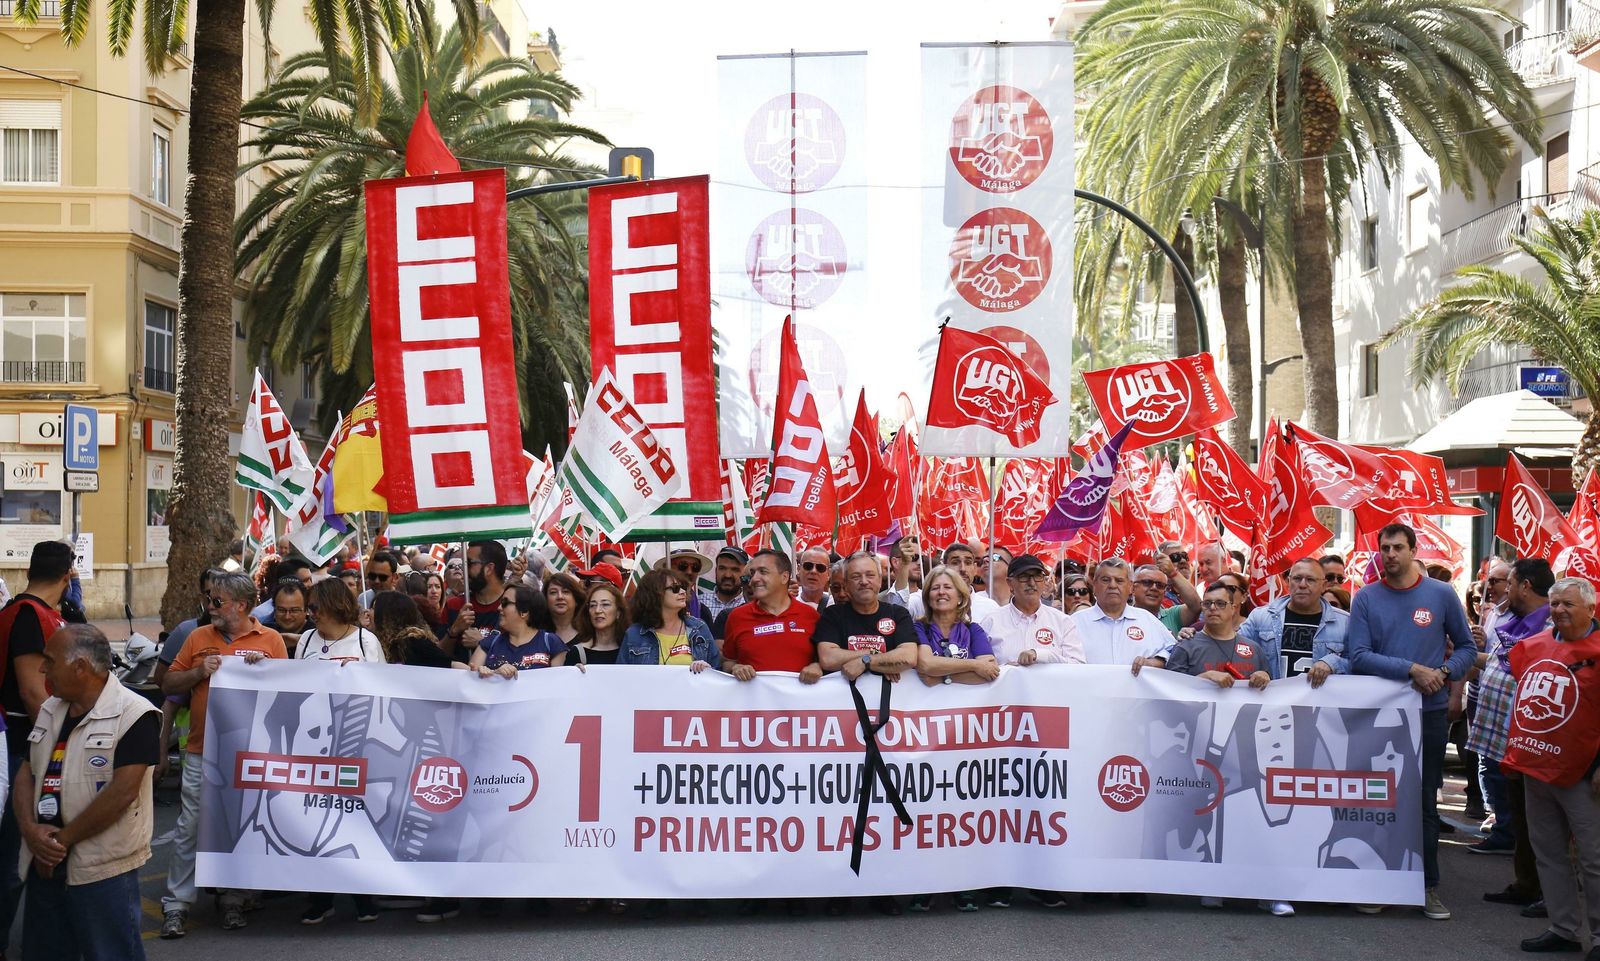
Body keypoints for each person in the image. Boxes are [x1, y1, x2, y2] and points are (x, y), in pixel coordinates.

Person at [1346, 522, 1476, 921]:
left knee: (1424, 801)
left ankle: (1427, 887)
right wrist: (1412, 669)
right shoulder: (1366, 597)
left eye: (1397, 547)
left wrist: (1445, 672)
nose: (1390, 555)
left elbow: (1467, 647)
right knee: (1380, 800)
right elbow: (1358, 655)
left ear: (1413, 550)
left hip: (1428, 714)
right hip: (1380, 714)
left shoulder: (1440, 594)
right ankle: (1384, 883)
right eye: (1384, 548)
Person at [14, 624, 158, 961]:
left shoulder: (135, 714)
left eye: (50, 660)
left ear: (80, 667)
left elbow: (122, 793)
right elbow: (26, 773)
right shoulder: (50, 709)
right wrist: (30, 831)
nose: (42, 669)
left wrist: (60, 842)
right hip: (44, 861)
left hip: (101, 869)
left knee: (110, 954)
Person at [160, 571, 286, 937]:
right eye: (209, 600)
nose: (210, 607)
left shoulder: (271, 640)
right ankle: (176, 904)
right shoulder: (197, 637)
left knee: (241, 827)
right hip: (202, 750)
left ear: (242, 605)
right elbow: (168, 683)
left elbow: (288, 693)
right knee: (190, 827)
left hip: (250, 756)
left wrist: (266, 673)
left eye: (217, 601)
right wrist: (199, 671)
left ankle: (235, 897)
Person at [1154, 582, 1290, 916]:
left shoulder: (1251, 648)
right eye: (1207, 604)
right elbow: (1167, 691)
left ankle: (1268, 891)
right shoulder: (1187, 646)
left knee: (1256, 822)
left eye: (1219, 604)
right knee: (1214, 822)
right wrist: (1205, 679)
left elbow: (1273, 692)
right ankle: (1213, 885)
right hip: (1204, 753)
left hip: (1249, 752)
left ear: (1234, 608)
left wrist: (1263, 675)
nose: (1212, 609)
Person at [812, 551, 917, 917]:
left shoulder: (896, 614)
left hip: (890, 732)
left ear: (881, 577)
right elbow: (827, 657)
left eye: (869, 575)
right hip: (841, 733)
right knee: (842, 806)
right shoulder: (834, 616)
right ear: (846, 581)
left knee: (882, 807)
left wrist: (866, 660)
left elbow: (909, 656)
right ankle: (840, 889)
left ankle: (881, 889)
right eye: (855, 576)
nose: (863, 581)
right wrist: (881, 656)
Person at [1499, 577, 1600, 955]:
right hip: (1537, 765)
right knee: (1549, 852)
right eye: (1555, 604)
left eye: (1568, 604)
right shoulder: (1534, 645)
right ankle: (1563, 928)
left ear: (1591, 608)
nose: (1558, 610)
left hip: (1583, 773)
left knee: (1593, 858)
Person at [907, 566, 997, 914]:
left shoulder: (973, 630)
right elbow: (924, 665)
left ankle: (963, 886)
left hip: (966, 735)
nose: (941, 592)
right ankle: (924, 886)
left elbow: (989, 671)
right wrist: (968, 667)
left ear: (961, 596)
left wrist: (943, 676)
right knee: (927, 812)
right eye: (935, 588)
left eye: (948, 587)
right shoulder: (918, 628)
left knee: (962, 812)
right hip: (924, 733)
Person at [0, 539, 75, 947]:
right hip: (20, 746)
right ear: (68, 576)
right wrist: (57, 745)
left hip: (26, 743)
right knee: (14, 857)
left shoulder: (42, 613)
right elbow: (32, 692)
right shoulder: (28, 615)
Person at [1467, 558, 1552, 899]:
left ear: (1526, 586)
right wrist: (1470, 655)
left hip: (1533, 739)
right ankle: (1527, 884)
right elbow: (1503, 663)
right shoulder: (1515, 623)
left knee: (1538, 819)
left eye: (1511, 584)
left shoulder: (1548, 626)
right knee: (1520, 812)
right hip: (1509, 739)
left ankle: (1546, 892)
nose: (1506, 591)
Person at [1238, 557, 1350, 683]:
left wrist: (1333, 663)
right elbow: (1235, 652)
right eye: (1297, 578)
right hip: (1271, 696)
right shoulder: (1260, 617)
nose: (1302, 584)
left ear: (1323, 586)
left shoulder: (1345, 623)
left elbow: (1358, 664)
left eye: (1310, 580)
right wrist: (1258, 670)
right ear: (1288, 581)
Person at [722, 550, 823, 683]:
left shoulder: (811, 616)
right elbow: (727, 662)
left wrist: (817, 666)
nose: (754, 579)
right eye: (753, 573)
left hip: (800, 696)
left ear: (784, 577)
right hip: (752, 696)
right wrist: (735, 667)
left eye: (763, 572)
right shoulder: (737, 617)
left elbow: (823, 660)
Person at [981, 554, 1085, 670]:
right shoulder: (991, 622)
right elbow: (981, 667)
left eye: (1037, 576)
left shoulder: (1062, 621)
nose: (1032, 583)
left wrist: (1041, 655)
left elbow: (1078, 666)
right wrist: (1007, 670)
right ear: (1010, 583)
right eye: (1024, 577)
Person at [1073, 558, 1175, 667]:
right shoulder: (1075, 623)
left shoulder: (1148, 620)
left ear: (1130, 586)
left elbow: (1173, 649)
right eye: (1106, 580)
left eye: (1119, 580)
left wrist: (1155, 662)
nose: (1112, 585)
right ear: (1094, 585)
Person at [618, 570, 719, 670]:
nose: (683, 592)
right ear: (655, 593)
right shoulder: (634, 634)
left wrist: (707, 669)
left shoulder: (699, 628)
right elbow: (622, 674)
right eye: (675, 588)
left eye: (683, 587)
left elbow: (718, 670)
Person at [471, 585, 566, 676]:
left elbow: (558, 681)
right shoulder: (490, 643)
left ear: (524, 611)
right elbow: (469, 677)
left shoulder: (551, 643)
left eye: (505, 603)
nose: (499, 608)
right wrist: (493, 674)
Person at [443, 541, 510, 658]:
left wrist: (483, 643)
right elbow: (437, 656)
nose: (464, 570)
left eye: (469, 563)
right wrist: (453, 631)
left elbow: (524, 654)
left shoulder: (514, 607)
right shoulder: (455, 605)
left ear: (489, 569)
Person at [297, 579, 384, 664]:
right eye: (309, 608)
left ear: (334, 606)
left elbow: (379, 673)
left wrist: (356, 669)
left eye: (314, 608)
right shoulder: (306, 638)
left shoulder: (366, 640)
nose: (311, 614)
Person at [908, 545, 1001, 622]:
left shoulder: (990, 607)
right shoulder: (920, 601)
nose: (963, 569)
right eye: (955, 562)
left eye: (968, 562)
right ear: (943, 567)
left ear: (975, 568)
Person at [371, 593, 463, 669]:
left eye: (374, 609)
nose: (368, 612)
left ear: (387, 617)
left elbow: (451, 664)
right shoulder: (384, 642)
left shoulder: (413, 642)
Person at [570, 582, 629, 667]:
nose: (597, 610)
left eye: (605, 604)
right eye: (593, 605)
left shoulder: (630, 651)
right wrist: (574, 671)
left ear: (618, 612)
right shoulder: (577, 653)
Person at [1131, 564, 1198, 635]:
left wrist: (1173, 573)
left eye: (1160, 585)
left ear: (1164, 592)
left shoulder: (1173, 616)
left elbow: (1196, 605)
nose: (1154, 588)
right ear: (1133, 588)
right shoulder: (1123, 616)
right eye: (1147, 582)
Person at [699, 547, 748, 625]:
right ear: (716, 570)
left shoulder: (750, 604)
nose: (727, 575)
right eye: (722, 568)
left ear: (745, 573)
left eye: (735, 569)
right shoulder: (699, 603)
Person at [261, 579, 309, 653]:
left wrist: (305, 640)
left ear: (306, 610)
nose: (287, 617)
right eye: (281, 610)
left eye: (294, 610)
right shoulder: (263, 632)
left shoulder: (319, 634)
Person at [403, 571, 450, 640]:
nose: (434, 591)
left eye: (437, 587)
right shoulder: (417, 617)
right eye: (429, 587)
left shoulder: (448, 615)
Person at [543, 572, 585, 644]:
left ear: (576, 599)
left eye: (565, 592)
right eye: (553, 592)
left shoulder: (589, 632)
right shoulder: (536, 633)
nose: (560, 597)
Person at [880, 536, 921, 607]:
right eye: (914, 557)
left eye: (922, 558)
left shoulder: (930, 598)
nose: (919, 563)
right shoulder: (878, 601)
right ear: (895, 562)